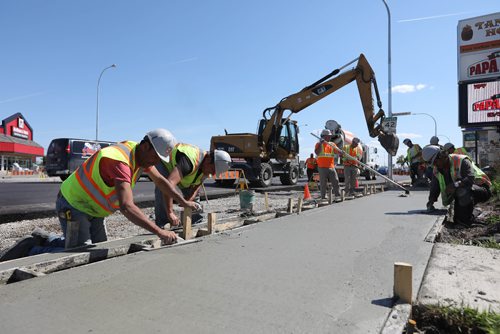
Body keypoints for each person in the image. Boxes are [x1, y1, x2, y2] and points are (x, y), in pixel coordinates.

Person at [0, 129, 201, 262]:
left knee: (100, 249)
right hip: (73, 204)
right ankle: (30, 250)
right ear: (146, 145)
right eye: (156, 156)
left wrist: (183, 202)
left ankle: (43, 237)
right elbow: (127, 206)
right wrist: (159, 231)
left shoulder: (140, 156)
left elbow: (161, 182)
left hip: (94, 210)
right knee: (79, 255)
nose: (156, 162)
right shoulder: (119, 161)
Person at [154, 144, 232, 228]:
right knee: (162, 187)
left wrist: (188, 200)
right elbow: (169, 184)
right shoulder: (189, 161)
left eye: (214, 173)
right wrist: (170, 212)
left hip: (183, 173)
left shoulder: (207, 168)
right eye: (212, 170)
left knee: (194, 200)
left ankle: (193, 221)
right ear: (208, 159)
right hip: (166, 162)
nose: (212, 174)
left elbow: (197, 186)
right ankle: (163, 222)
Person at [422, 145, 491, 225]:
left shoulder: (460, 160)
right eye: (432, 163)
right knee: (457, 219)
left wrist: (454, 185)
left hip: (481, 188)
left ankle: (467, 220)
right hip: (462, 192)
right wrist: (431, 201)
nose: (435, 165)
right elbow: (435, 186)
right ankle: (473, 213)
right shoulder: (437, 170)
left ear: (442, 155)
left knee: (462, 218)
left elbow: (470, 178)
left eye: (435, 162)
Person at [314, 129, 341, 200]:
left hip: (331, 166)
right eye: (328, 136)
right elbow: (317, 153)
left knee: (335, 181)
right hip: (322, 167)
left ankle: (337, 195)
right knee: (323, 183)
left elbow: (338, 152)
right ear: (323, 136)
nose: (329, 137)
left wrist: (341, 152)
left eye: (330, 136)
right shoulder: (318, 144)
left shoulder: (332, 144)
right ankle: (323, 197)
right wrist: (320, 144)